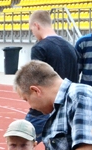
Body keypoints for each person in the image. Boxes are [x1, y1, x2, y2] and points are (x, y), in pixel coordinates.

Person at [28, 10, 80, 140]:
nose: (33, 34)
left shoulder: (39, 48)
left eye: (32, 30)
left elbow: (35, 80)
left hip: (45, 108)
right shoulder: (70, 47)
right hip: (69, 108)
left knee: (22, 141)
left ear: (37, 25)